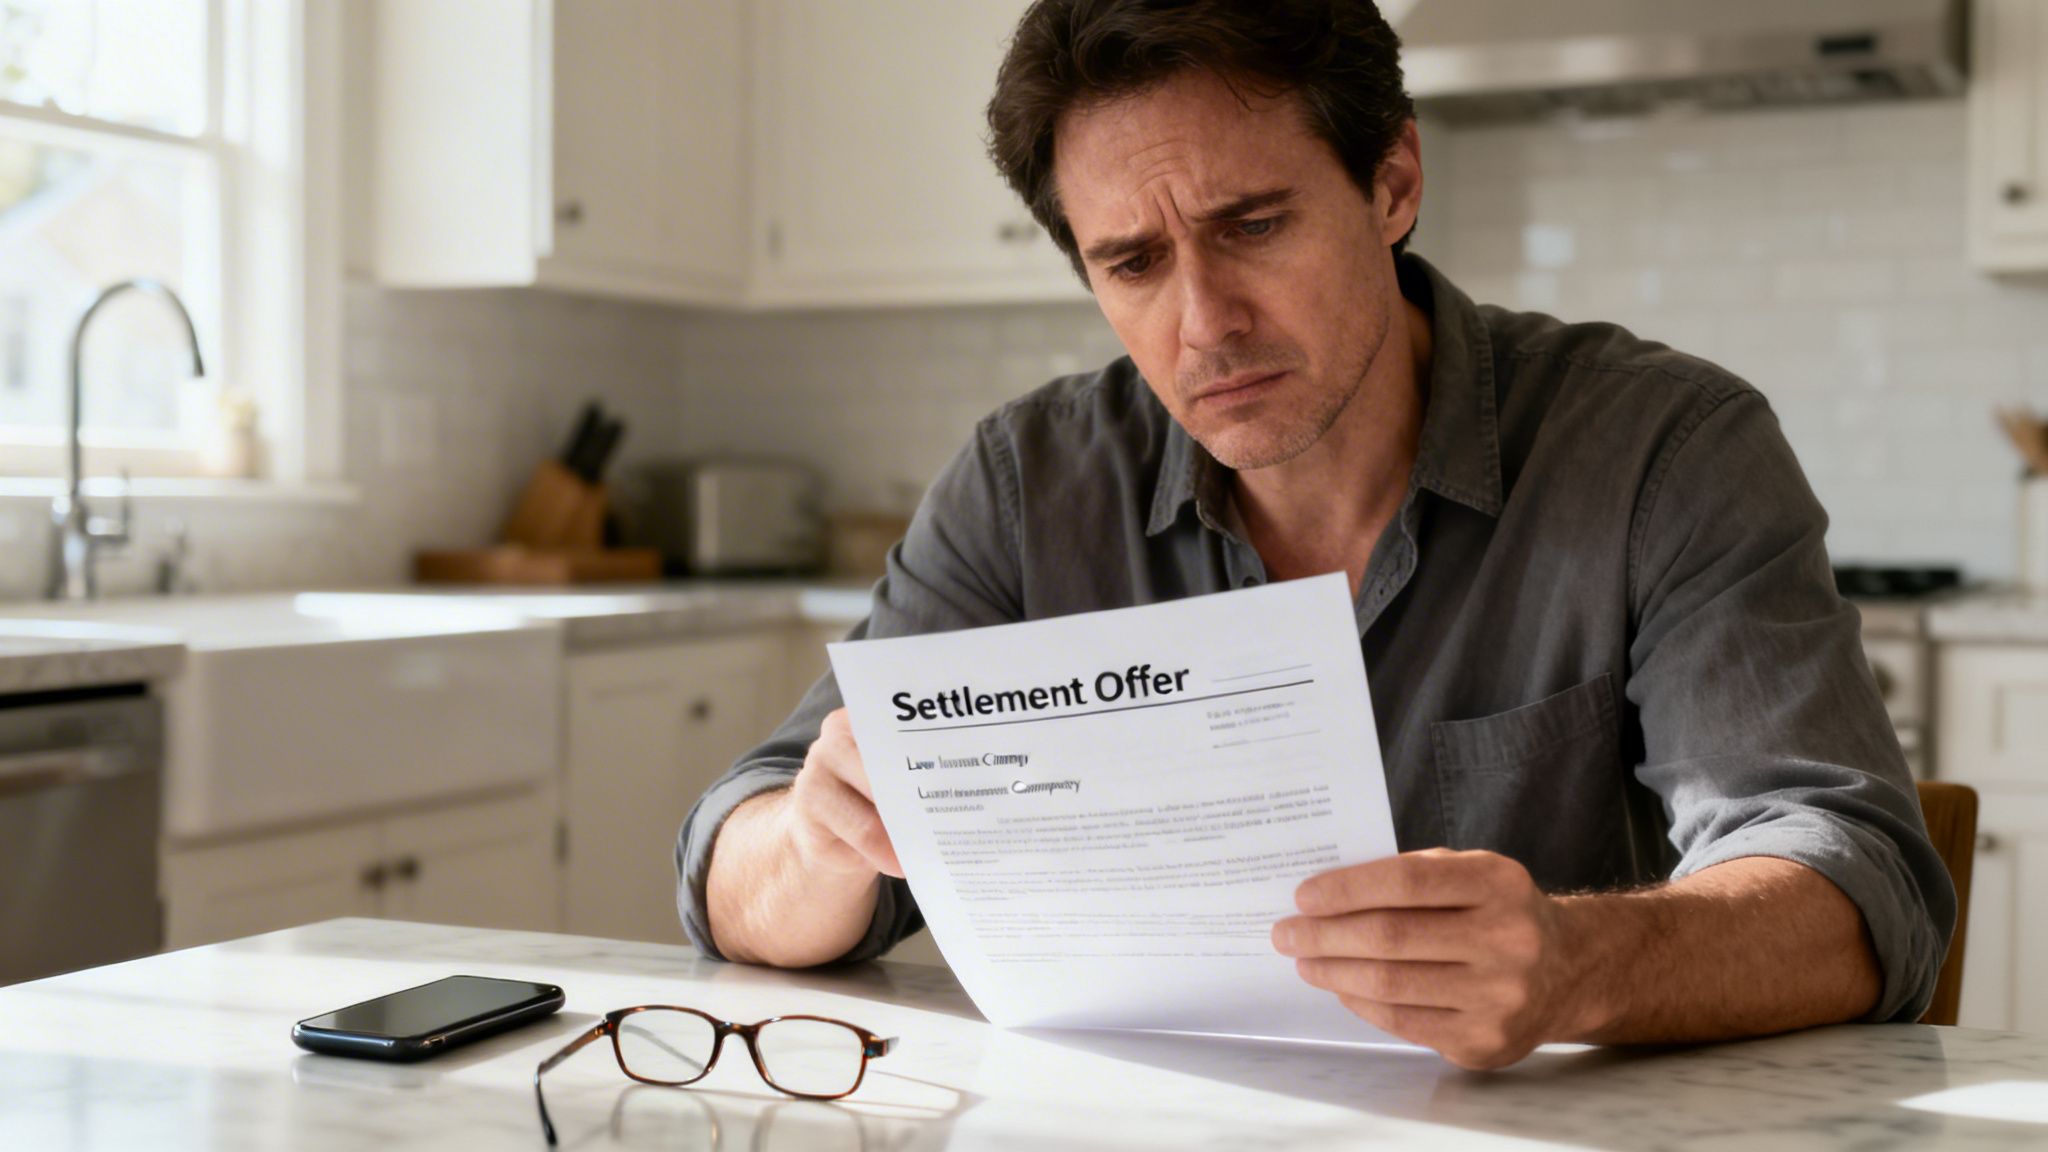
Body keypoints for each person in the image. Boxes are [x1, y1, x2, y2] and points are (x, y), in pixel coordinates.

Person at [678, 0, 1953, 1070]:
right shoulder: (1027, 485)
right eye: (1131, 263)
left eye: (1252, 226)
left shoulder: (1662, 451)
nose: (1201, 324)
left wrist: (1572, 964)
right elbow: (736, 851)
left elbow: (1852, 887)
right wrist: (811, 844)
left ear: (1390, 182)